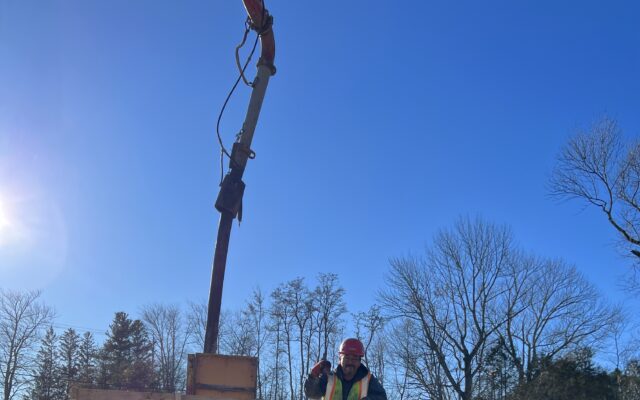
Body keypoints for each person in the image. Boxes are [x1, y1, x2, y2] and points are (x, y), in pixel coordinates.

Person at [304, 338, 387, 400]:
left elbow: (382, 397)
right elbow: (312, 393)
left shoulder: (369, 380)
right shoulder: (329, 378)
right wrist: (313, 376)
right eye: (346, 358)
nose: (350, 362)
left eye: (354, 358)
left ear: (359, 361)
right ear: (340, 359)